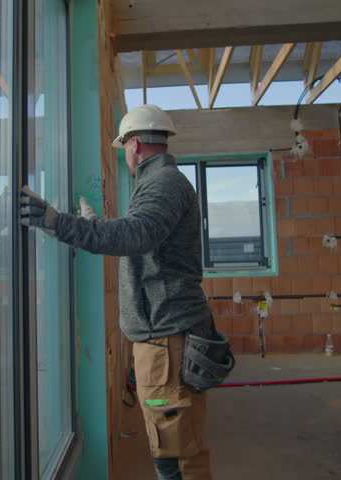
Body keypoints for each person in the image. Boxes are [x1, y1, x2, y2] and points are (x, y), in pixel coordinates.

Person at [19, 104, 233, 480]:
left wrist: (58, 223)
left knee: (176, 454)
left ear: (134, 144)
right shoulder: (159, 183)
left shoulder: (163, 184)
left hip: (166, 337)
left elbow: (136, 235)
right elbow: (144, 237)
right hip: (166, 333)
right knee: (175, 444)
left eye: (125, 150)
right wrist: (94, 226)